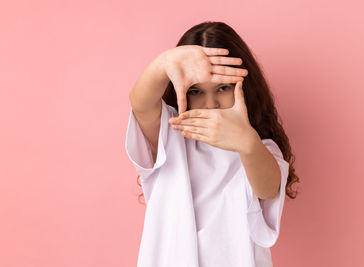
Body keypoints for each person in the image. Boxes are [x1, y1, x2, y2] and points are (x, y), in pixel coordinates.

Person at [125, 21, 299, 267]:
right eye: (196, 91)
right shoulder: (172, 134)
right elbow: (140, 103)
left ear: (244, 88)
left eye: (223, 88)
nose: (210, 104)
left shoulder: (258, 147)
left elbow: (268, 189)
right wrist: (165, 63)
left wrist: (246, 141)